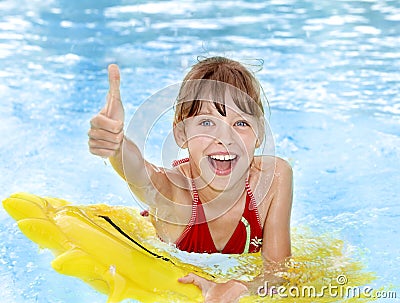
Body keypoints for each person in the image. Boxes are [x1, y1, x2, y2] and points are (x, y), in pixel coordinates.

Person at [88, 56, 293, 303]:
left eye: (240, 123)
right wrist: (116, 143)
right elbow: (140, 173)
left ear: (259, 133)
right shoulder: (174, 195)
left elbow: (279, 274)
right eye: (207, 122)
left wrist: (240, 287)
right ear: (181, 133)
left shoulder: (273, 180)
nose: (226, 138)